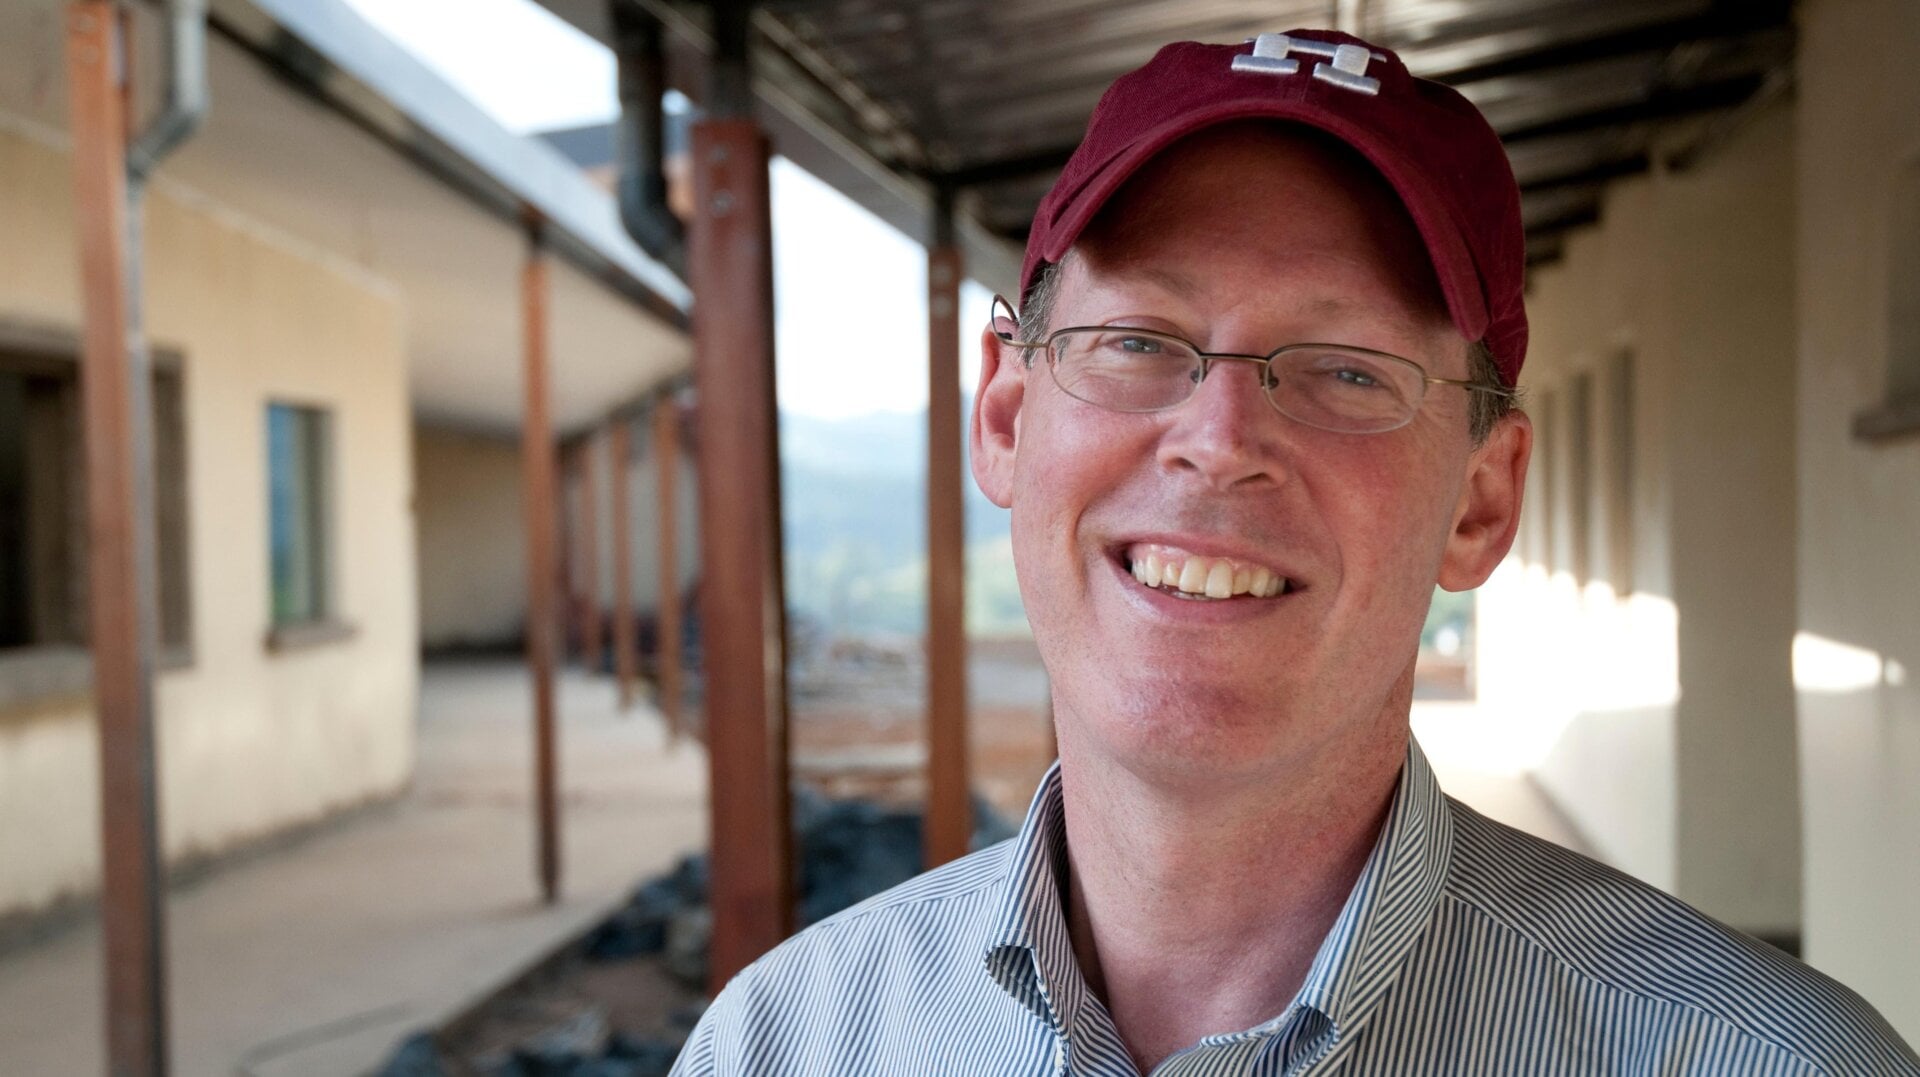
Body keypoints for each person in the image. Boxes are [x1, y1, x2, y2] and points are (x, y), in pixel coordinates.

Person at [670, 29, 1920, 1076]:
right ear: (1005, 416)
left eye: (1344, 370)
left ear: (1482, 500)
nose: (1218, 442)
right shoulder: (783, 1046)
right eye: (1140, 340)